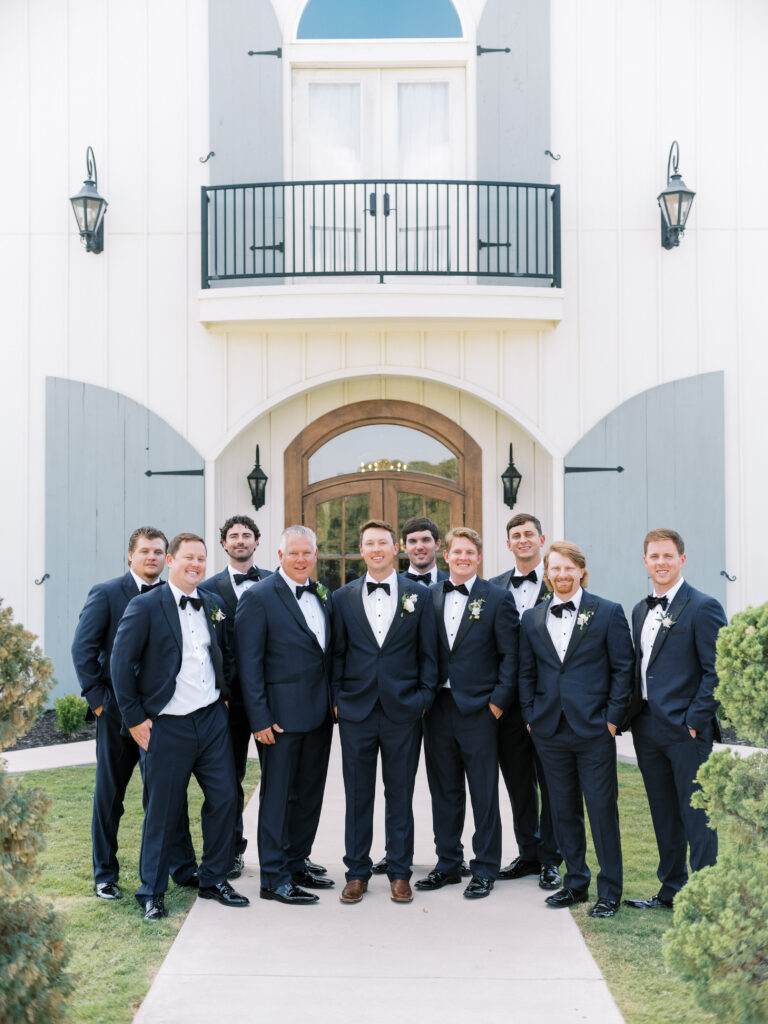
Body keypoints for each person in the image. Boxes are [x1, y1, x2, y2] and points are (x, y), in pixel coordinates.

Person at [111, 533, 249, 921]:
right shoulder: (145, 606)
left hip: (211, 722)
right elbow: (121, 664)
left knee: (225, 799)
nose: (196, 564)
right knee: (163, 810)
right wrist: (135, 718)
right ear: (171, 561)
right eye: (188, 557)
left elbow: (225, 654)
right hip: (167, 726)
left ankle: (214, 878)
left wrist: (223, 692)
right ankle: (151, 891)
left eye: (201, 559)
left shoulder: (214, 603)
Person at [71, 527, 196, 900]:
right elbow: (83, 650)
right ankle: (105, 874)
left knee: (166, 792)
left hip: (159, 714)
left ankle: (183, 867)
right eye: (145, 551)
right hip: (116, 714)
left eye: (159, 552)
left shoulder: (171, 596)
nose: (153, 558)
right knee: (110, 795)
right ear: (130, 555)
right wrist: (100, 703)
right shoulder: (107, 593)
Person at [518, 542, 634, 919]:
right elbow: (527, 673)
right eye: (555, 569)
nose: (562, 575)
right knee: (562, 811)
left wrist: (612, 719)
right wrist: (532, 717)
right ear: (547, 574)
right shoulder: (533, 619)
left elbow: (623, 670)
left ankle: (609, 891)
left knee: (601, 810)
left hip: (594, 730)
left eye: (569, 568)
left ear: (581, 570)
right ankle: (575, 883)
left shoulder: (607, 612)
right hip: (549, 730)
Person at [332, 519, 439, 905]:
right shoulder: (341, 597)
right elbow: (337, 654)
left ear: (396, 549)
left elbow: (430, 652)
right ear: (362, 550)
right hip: (356, 712)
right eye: (369, 543)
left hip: (403, 711)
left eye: (383, 543)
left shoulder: (419, 595)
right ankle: (356, 873)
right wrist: (338, 700)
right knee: (357, 795)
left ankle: (399, 872)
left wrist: (423, 698)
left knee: (400, 795)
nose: (376, 549)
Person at [623, 529, 726, 912]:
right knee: (663, 813)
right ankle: (670, 890)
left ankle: (704, 898)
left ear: (682, 559)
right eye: (654, 556)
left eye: (668, 556)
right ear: (645, 561)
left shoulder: (703, 606)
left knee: (696, 814)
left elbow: (717, 671)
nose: (661, 563)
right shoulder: (639, 609)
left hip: (686, 731)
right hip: (648, 728)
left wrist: (694, 720)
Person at [416, 527, 518, 899]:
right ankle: (447, 863)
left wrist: (496, 703)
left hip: (480, 710)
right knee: (444, 790)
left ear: (478, 558)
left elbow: (511, 656)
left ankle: (486, 867)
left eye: (469, 553)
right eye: (456, 552)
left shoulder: (497, 598)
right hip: (437, 709)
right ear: (447, 556)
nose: (462, 558)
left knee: (484, 792)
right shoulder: (429, 596)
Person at [235, 525, 334, 906]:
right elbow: (249, 663)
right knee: (277, 797)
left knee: (309, 794)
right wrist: (259, 718)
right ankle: (273, 878)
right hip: (278, 719)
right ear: (279, 556)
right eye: (293, 553)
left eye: (307, 553)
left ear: (314, 555)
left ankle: (296, 862)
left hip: (319, 715)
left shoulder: (321, 594)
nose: (300, 559)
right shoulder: (259, 597)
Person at [371, 516, 450, 877]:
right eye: (413, 540)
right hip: (396, 706)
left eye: (426, 540)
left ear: (437, 546)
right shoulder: (396, 587)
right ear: (403, 547)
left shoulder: (455, 583)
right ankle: (395, 853)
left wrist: (425, 696)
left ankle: (449, 857)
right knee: (398, 784)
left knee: (444, 783)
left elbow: (432, 653)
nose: (419, 546)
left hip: (443, 703)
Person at [491, 513, 562, 891]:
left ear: (541, 539)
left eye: (529, 534)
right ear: (508, 544)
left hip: (548, 700)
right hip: (506, 705)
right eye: (516, 535)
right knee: (518, 782)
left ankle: (552, 858)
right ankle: (528, 852)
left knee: (551, 781)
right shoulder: (492, 586)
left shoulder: (560, 584)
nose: (523, 540)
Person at [199, 514, 272, 880]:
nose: (240, 540)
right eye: (233, 536)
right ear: (224, 544)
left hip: (270, 702)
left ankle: (285, 854)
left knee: (279, 780)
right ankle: (229, 852)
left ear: (257, 542)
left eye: (247, 535)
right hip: (227, 704)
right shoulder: (207, 589)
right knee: (227, 782)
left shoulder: (278, 584)